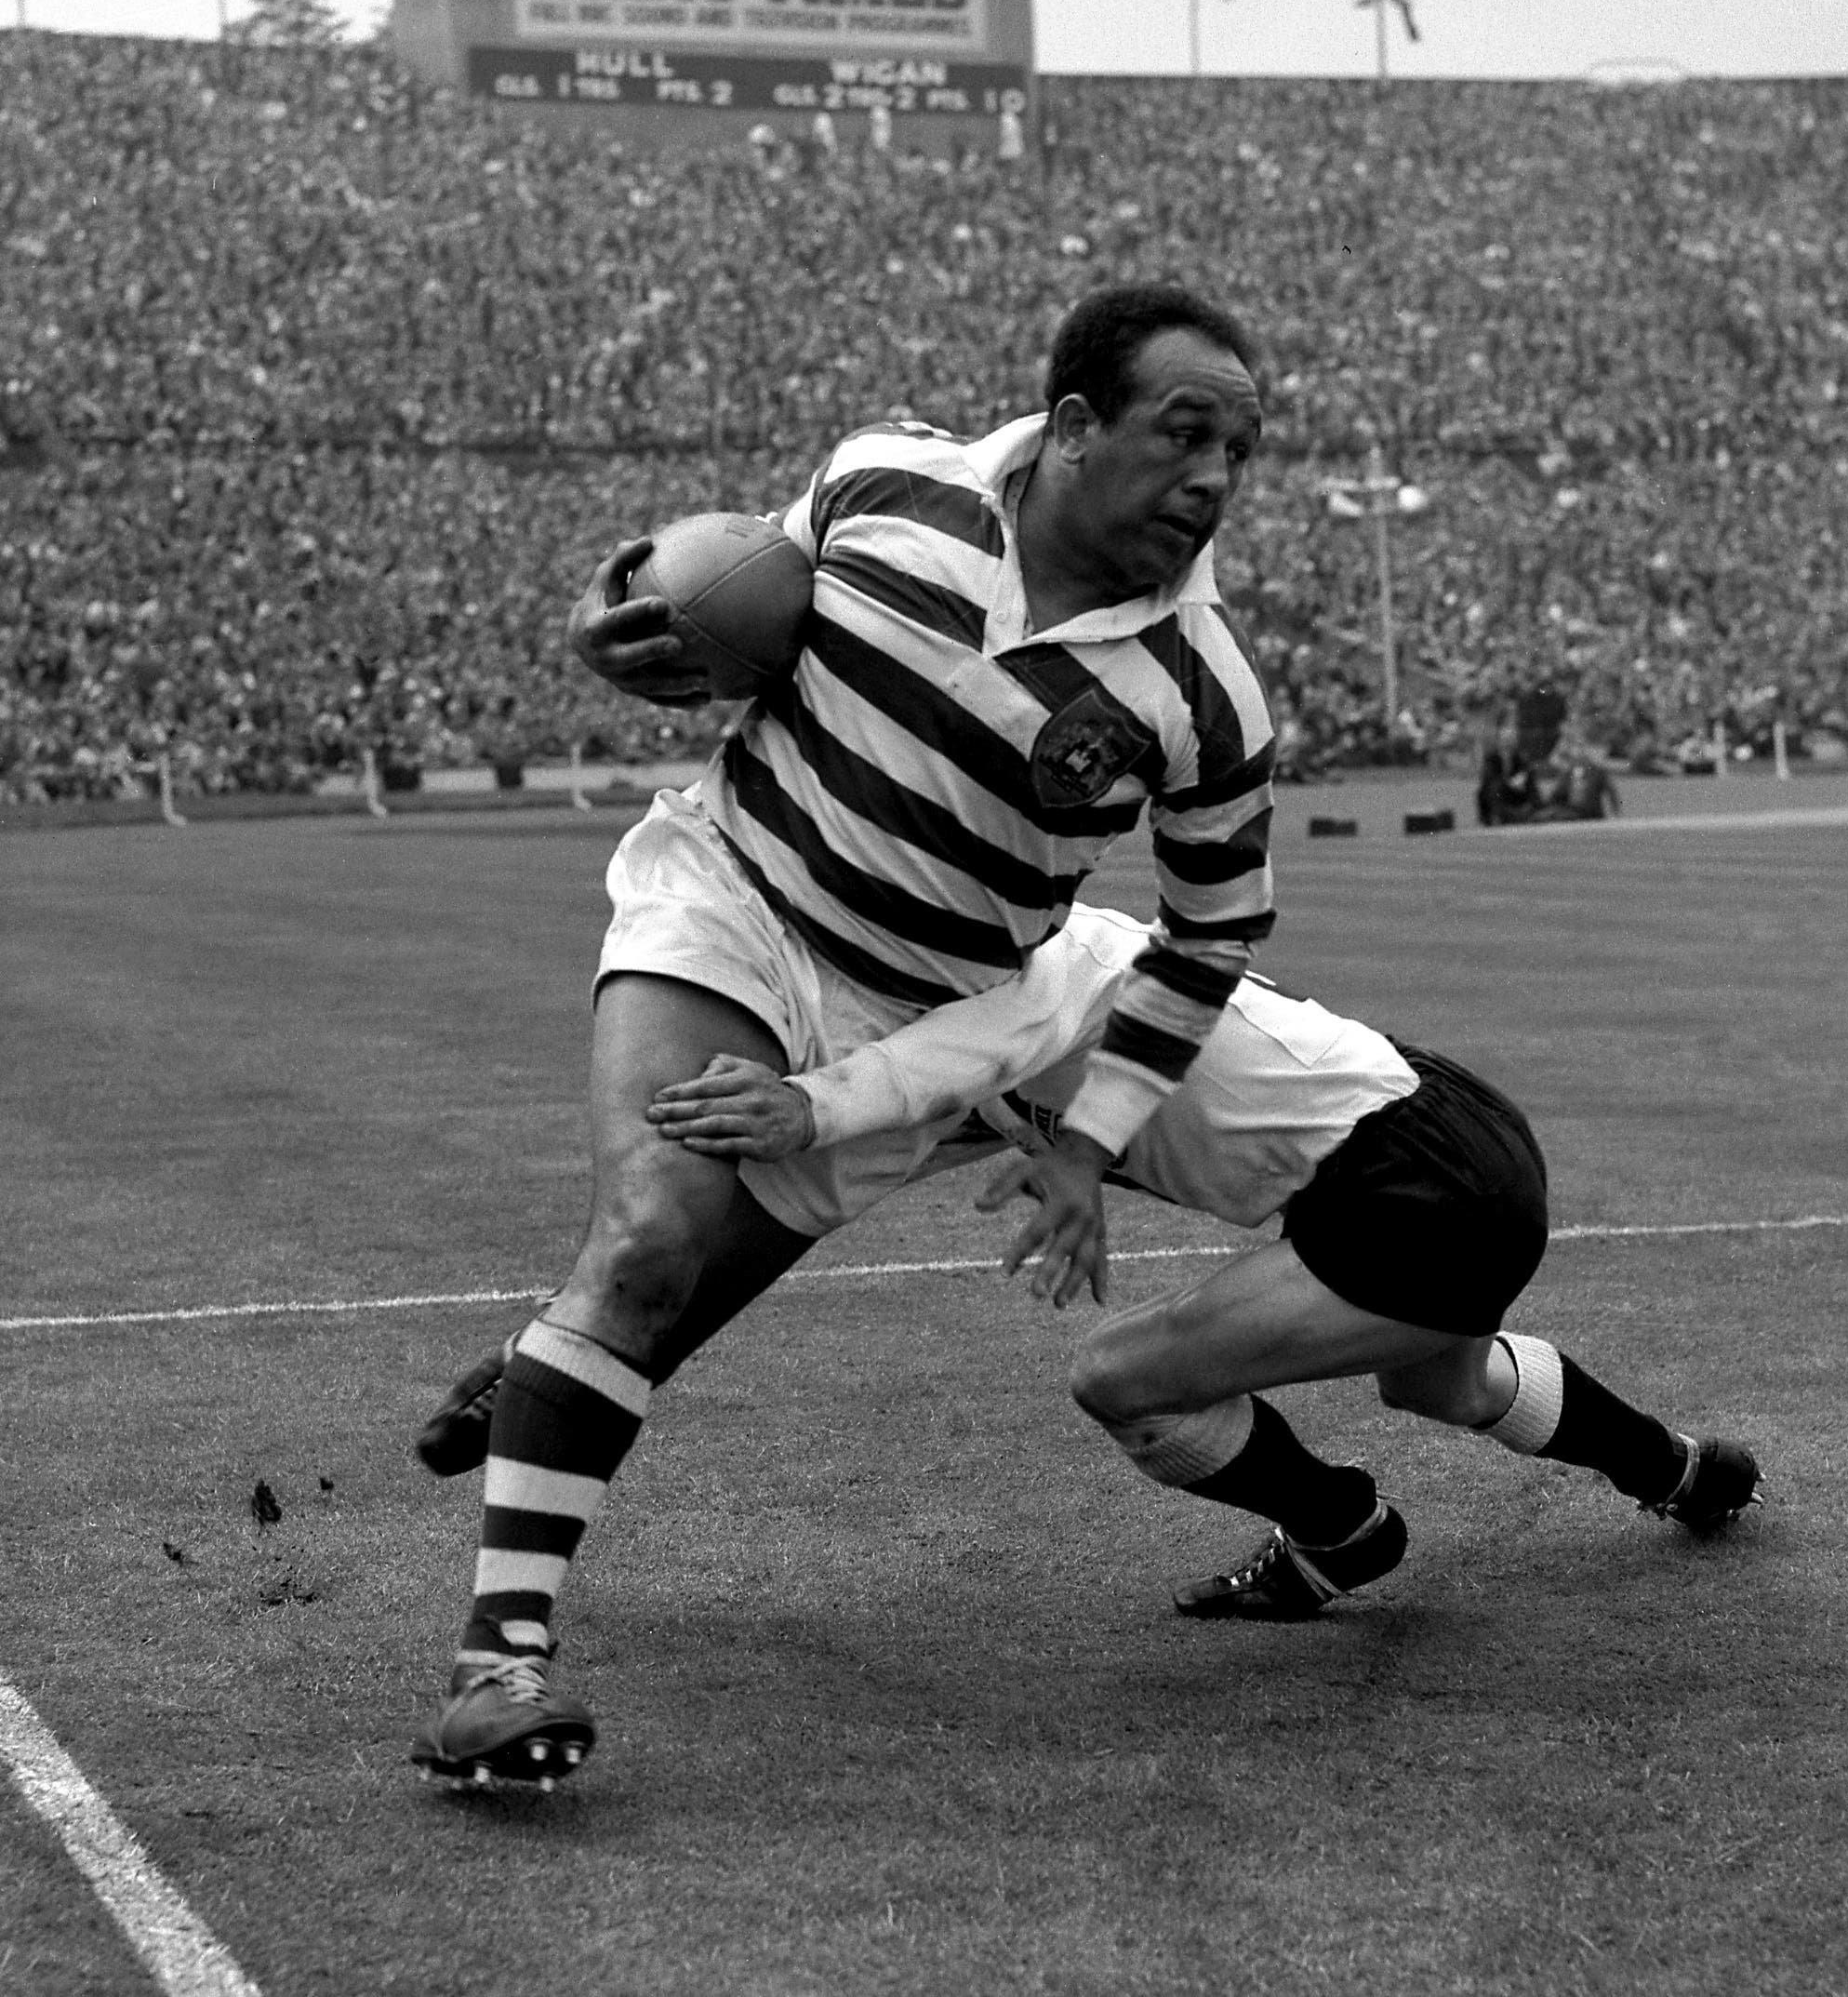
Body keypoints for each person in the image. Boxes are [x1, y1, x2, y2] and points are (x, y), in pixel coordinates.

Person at [412, 282, 1282, 1792]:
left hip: (909, 1027)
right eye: (1181, 431)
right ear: (1074, 427)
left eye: (1241, 449)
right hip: (734, 906)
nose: (1213, 475)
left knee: (654, 1305)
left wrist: (1086, 1142)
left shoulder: (1203, 693)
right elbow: (723, 589)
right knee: (647, 1246)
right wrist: (622, 617)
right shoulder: (888, 480)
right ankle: (501, 1664)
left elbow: (1212, 934)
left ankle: (545, 1361)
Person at [638, 903, 1760, 1620]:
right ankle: (1676, 1465)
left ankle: (1342, 1529)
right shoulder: (982, 1022)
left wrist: (805, 1099)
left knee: (1117, 1376)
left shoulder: (1049, 966)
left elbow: (928, 1069)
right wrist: (596, 1332)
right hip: (1447, 1125)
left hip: (1407, 1184)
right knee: (1439, 1379)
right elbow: (839, 1171)